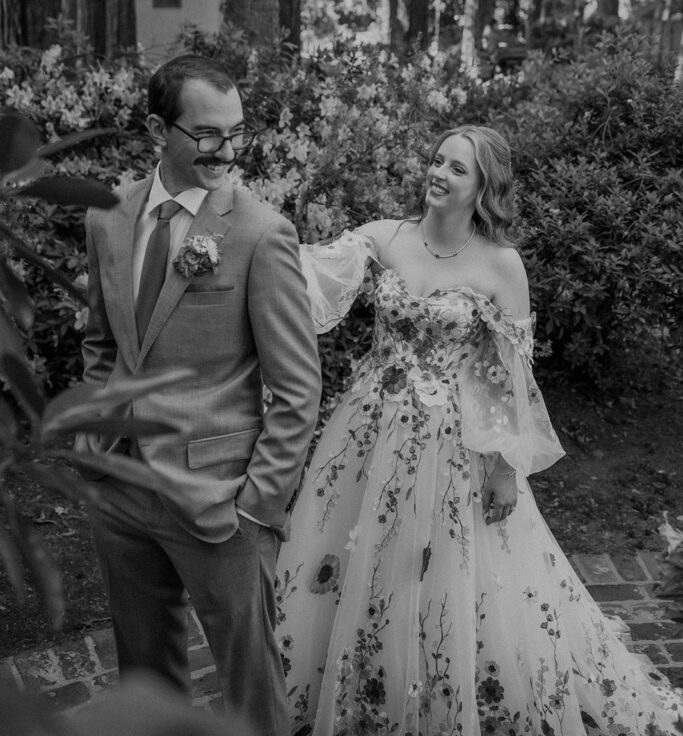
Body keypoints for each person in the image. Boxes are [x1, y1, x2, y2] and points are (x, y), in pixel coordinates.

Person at [275, 125, 681, 736]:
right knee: (356, 555)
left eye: (456, 169)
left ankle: (438, 689)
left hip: (451, 444)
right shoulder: (384, 238)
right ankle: (355, 685)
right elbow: (302, 276)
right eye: (437, 161)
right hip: (366, 431)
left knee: (439, 567)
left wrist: (505, 468)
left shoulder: (501, 265)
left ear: (483, 187)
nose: (438, 173)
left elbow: (509, 378)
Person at [78, 55, 322, 736]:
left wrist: (257, 507)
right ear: (161, 128)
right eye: (207, 134)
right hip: (120, 487)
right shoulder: (108, 217)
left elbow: (298, 386)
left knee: (250, 690)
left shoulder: (258, 233)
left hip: (220, 502)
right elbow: (102, 340)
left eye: (236, 132)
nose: (226, 150)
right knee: (147, 683)